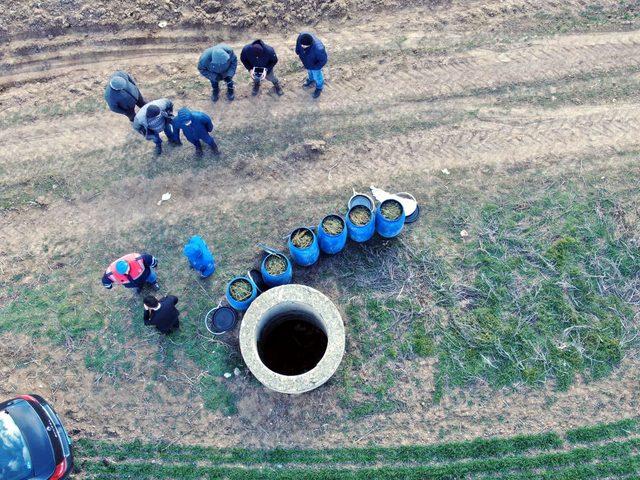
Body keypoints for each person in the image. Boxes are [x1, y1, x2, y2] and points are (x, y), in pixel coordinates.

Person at [295, 32, 328, 99]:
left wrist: (315, 67)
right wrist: (297, 50)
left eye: (304, 46)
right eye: (301, 45)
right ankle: (311, 79)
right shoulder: (302, 36)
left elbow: (323, 60)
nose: (302, 46)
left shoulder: (319, 49)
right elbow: (298, 44)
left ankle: (319, 87)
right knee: (309, 72)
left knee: (317, 76)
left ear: (310, 44)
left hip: (315, 65)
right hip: (307, 62)